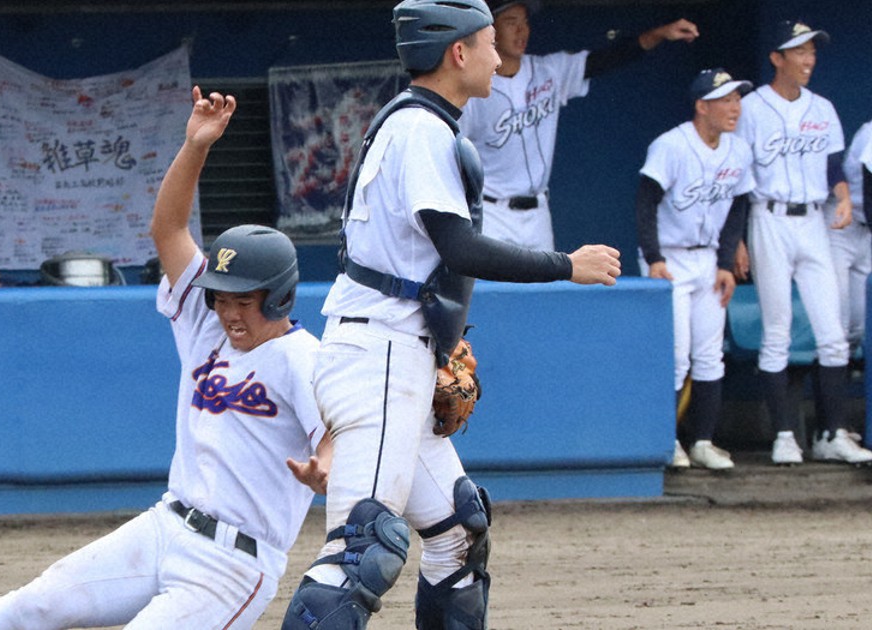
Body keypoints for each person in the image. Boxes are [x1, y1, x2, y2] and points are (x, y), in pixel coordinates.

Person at [280, 2, 620, 628]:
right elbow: (459, 247)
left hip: (396, 351)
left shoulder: (420, 124)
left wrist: (439, 345)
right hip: (378, 356)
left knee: (459, 533)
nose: (499, 56)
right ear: (457, 53)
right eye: (489, 43)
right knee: (361, 551)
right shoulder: (421, 130)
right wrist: (565, 264)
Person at [0, 86, 333, 630]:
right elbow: (169, 230)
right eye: (221, 298)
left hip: (233, 564)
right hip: (163, 527)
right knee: (32, 605)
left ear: (279, 297)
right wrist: (195, 145)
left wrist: (327, 467)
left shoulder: (302, 358)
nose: (228, 312)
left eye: (242, 300)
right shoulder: (206, 328)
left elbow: (333, 434)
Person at [734, 20, 872, 466]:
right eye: (800, 52)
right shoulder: (751, 108)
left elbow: (834, 168)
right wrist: (735, 241)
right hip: (768, 217)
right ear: (777, 58)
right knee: (777, 330)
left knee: (833, 335)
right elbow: (735, 177)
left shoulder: (823, 108)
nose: (809, 59)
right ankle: (784, 435)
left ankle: (831, 434)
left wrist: (845, 199)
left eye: (812, 51)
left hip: (814, 220)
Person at [459, 0, 699, 251]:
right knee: (496, 288)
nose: (522, 30)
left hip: (538, 213)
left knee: (543, 289)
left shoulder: (548, 70)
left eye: (525, 22)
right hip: (493, 212)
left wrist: (659, 34)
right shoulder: (474, 90)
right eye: (511, 23)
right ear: (491, 31)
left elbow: (606, 59)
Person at [635, 69, 755, 471]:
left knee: (709, 355)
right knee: (676, 355)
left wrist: (725, 264)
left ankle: (703, 440)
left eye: (737, 98)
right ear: (702, 106)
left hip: (708, 260)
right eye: (725, 99)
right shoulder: (671, 145)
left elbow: (738, 206)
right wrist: (654, 258)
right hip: (670, 257)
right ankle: (666, 441)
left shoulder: (738, 150)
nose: (734, 107)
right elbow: (646, 203)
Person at [827, 120, 872, 362]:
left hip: (866, 233)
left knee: (860, 326)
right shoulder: (871, 132)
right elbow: (870, 190)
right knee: (838, 325)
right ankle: (827, 399)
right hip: (841, 225)